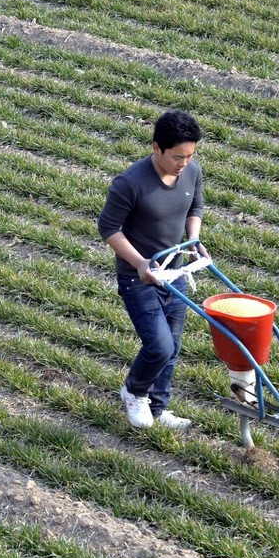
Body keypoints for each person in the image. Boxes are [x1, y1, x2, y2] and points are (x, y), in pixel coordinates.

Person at [99, 110, 206, 430]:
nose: (184, 163)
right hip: (139, 278)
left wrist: (193, 239)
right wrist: (140, 263)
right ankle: (134, 393)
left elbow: (195, 207)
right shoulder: (130, 183)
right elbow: (108, 228)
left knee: (172, 347)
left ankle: (159, 409)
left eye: (190, 155)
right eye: (177, 156)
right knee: (159, 345)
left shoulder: (192, 172)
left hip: (175, 273)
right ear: (156, 148)